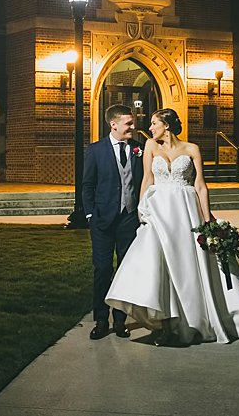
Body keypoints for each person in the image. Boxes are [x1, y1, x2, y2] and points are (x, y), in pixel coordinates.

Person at [105, 107, 239, 344]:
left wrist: (207, 216)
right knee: (161, 265)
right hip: (159, 212)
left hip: (187, 210)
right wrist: (142, 209)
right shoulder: (150, 146)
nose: (149, 128)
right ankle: (165, 325)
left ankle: (193, 321)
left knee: (189, 265)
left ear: (167, 125)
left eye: (154, 123)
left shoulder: (192, 149)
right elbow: (147, 179)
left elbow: (200, 185)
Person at [82, 105, 142, 339]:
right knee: (103, 269)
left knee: (125, 270)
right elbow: (87, 185)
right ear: (113, 124)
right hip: (102, 221)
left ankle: (120, 321)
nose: (133, 127)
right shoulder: (96, 150)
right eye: (128, 123)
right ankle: (100, 320)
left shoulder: (139, 148)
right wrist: (90, 216)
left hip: (129, 219)